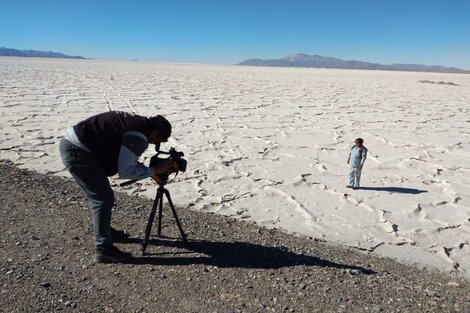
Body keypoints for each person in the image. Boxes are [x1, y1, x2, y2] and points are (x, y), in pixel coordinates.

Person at [59, 111, 173, 263]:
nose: (153, 143)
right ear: (155, 132)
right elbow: (125, 171)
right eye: (157, 140)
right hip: (78, 150)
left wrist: (148, 170)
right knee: (102, 198)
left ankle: (104, 232)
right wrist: (154, 171)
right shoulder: (138, 135)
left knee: (101, 195)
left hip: (76, 143)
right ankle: (103, 249)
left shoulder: (137, 123)